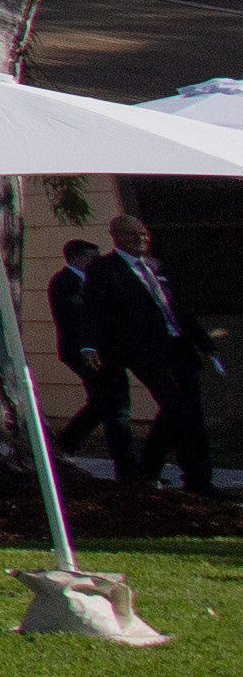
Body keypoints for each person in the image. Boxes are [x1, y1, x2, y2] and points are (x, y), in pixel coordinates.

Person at [84, 212, 217, 499]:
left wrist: (205, 344)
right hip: (144, 351)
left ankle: (193, 478)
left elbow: (179, 308)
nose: (142, 240)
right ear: (117, 236)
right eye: (134, 235)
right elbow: (94, 310)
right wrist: (89, 345)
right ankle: (154, 468)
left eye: (144, 234)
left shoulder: (156, 267)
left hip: (178, 345)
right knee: (177, 407)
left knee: (188, 411)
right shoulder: (105, 269)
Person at [50, 231, 135, 467]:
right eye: (93, 257)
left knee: (101, 403)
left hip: (104, 352)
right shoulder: (65, 283)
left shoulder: (92, 281)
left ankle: (65, 443)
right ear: (77, 258)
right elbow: (80, 317)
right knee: (115, 404)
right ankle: (126, 462)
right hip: (83, 352)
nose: (97, 262)